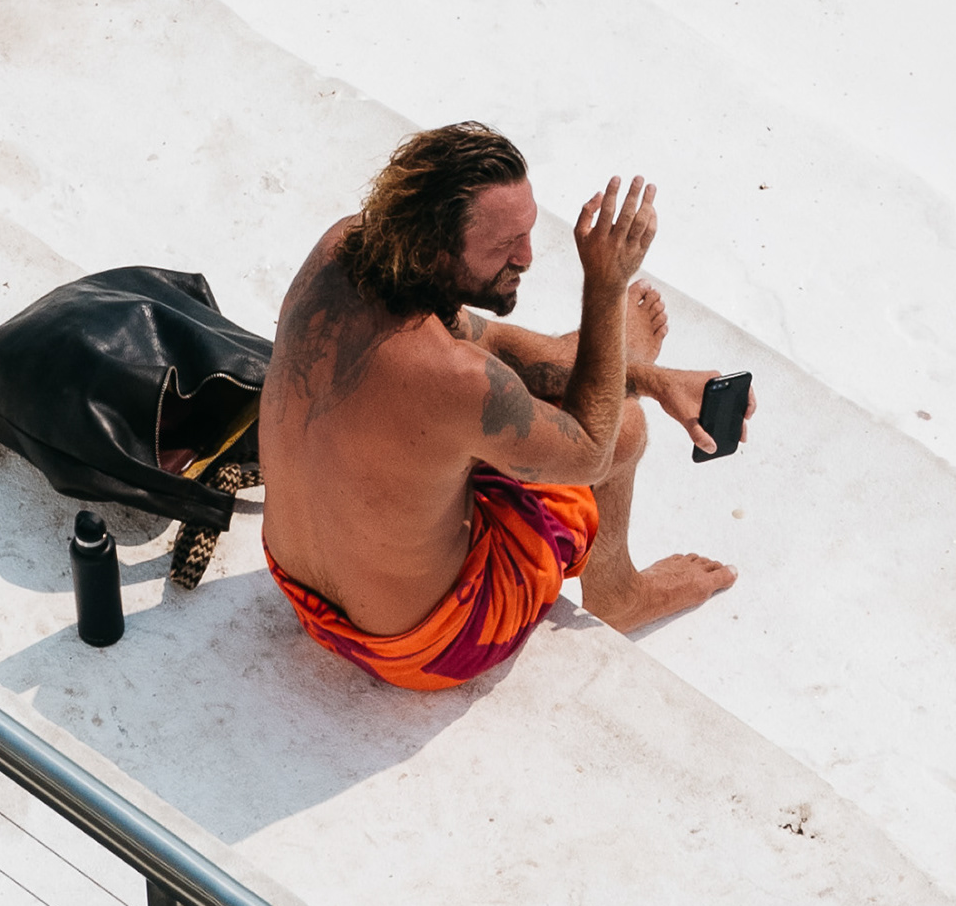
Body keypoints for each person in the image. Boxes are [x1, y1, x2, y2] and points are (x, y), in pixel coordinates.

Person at [257, 121, 743, 686]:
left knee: (544, 383)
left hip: (295, 583)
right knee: (625, 427)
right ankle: (620, 593)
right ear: (435, 248)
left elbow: (492, 345)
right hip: (424, 647)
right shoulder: (451, 376)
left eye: (529, 233)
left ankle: (609, 359)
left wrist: (655, 378)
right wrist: (606, 288)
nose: (529, 257)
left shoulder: (344, 249)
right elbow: (591, 448)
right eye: (504, 246)